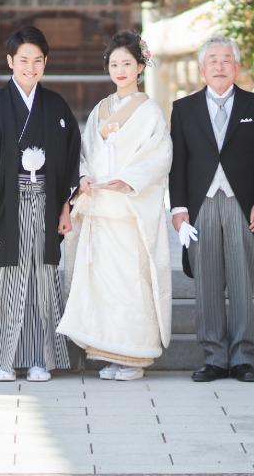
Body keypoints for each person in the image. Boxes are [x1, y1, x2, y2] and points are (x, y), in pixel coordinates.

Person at [0, 26, 80, 382]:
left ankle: (40, 357)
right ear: (10, 61)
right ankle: (2, 359)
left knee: (40, 278)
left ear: (45, 63)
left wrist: (66, 207)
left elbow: (71, 160)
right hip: (1, 208)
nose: (31, 66)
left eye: (37, 60)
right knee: (4, 280)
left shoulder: (55, 107)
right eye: (23, 59)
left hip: (44, 204)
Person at [57, 31, 172, 381]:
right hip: (100, 208)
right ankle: (109, 351)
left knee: (130, 283)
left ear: (140, 66)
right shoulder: (100, 109)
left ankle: (134, 356)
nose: (120, 69)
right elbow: (86, 153)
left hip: (130, 209)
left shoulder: (150, 111)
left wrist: (131, 179)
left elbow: (159, 156)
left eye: (127, 63)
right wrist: (84, 177)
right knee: (103, 283)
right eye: (113, 64)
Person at [169, 35, 254, 383]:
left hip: (241, 204)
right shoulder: (183, 109)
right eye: (212, 60)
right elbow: (179, 163)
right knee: (207, 281)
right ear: (202, 68)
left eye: (226, 59)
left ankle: (243, 357)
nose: (219, 65)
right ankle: (214, 356)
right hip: (201, 204)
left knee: (242, 279)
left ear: (236, 66)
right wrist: (179, 208)